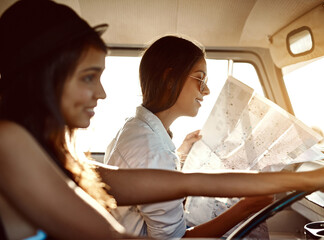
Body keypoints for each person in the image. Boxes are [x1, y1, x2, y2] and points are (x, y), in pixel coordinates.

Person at [0, 1, 324, 239]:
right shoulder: (9, 142)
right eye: (88, 77)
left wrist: (308, 176)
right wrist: (254, 204)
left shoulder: (53, 154)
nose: (102, 93)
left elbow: (188, 181)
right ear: (45, 76)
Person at [104, 35, 274, 239]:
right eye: (200, 79)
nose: (207, 90)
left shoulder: (135, 128)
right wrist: (245, 208)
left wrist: (181, 151)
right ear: (170, 79)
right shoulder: (152, 149)